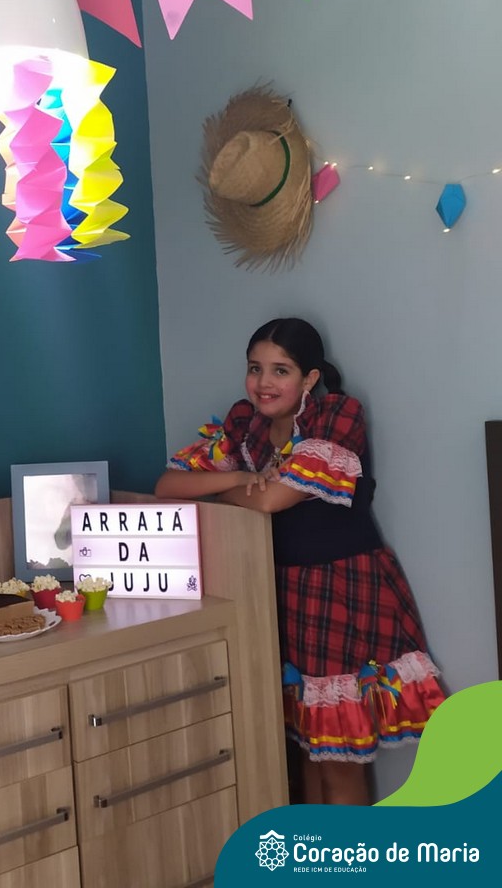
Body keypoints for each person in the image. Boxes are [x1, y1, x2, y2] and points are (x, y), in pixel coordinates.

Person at [154, 317, 445, 805]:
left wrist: (232, 492)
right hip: (278, 589)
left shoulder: (336, 416)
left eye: (280, 370)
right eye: (255, 368)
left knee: (337, 757)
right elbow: (168, 486)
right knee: (305, 746)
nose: (264, 382)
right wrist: (239, 479)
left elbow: (272, 501)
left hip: (339, 590)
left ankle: (351, 852)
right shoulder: (246, 424)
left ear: (309, 378)